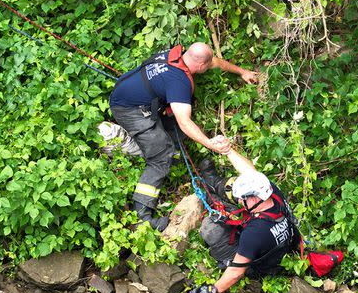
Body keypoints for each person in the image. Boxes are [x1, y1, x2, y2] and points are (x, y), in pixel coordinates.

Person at [109, 42, 258, 231]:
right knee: (160, 156)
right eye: (207, 64)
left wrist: (242, 71)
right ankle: (141, 218)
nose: (210, 65)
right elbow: (185, 122)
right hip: (128, 110)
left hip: (133, 97)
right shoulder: (178, 81)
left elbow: (215, 62)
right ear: (200, 65)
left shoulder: (178, 57)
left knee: (176, 134)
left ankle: (166, 153)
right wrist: (210, 144)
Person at [187, 149, 301, 293]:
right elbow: (250, 172)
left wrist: (212, 290)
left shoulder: (254, 233)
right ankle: (212, 185)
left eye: (243, 198)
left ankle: (226, 258)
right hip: (280, 246)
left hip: (260, 265)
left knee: (210, 229)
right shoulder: (272, 192)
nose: (240, 201)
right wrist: (228, 150)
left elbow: (236, 272)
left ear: (254, 198)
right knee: (229, 199)